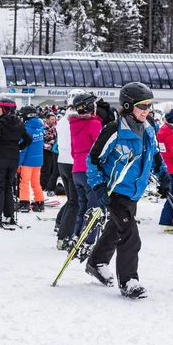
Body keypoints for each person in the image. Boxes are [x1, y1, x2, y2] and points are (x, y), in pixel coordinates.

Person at [86, 82, 171, 299]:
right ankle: (129, 281)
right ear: (128, 105)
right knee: (130, 234)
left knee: (116, 230)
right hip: (115, 191)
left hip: (134, 190)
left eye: (149, 106)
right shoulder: (114, 130)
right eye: (142, 106)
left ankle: (96, 262)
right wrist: (98, 186)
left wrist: (164, 177)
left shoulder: (149, 128)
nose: (147, 110)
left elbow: (154, 157)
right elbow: (93, 159)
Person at [0, 97, 32, 226]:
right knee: (8, 187)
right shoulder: (20, 122)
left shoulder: (0, 122)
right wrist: (18, 147)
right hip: (13, 157)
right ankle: (8, 216)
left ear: (5, 110)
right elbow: (28, 139)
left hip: (0, 157)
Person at [69, 93, 102, 250]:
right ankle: (88, 242)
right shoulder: (94, 125)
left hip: (77, 170)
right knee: (94, 209)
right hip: (91, 172)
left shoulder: (73, 124)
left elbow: (73, 151)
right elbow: (101, 149)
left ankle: (77, 236)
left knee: (83, 207)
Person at [56, 89, 85, 250]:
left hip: (63, 161)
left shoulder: (62, 120)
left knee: (72, 200)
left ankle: (61, 225)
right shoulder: (76, 120)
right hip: (73, 161)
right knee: (75, 202)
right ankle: (64, 236)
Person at [17, 105, 45, 213]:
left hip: (27, 161)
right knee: (36, 182)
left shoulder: (26, 129)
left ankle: (24, 203)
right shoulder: (40, 127)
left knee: (24, 182)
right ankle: (39, 202)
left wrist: (19, 162)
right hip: (38, 160)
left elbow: (23, 148)